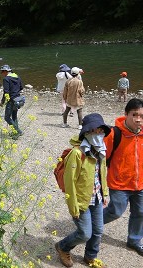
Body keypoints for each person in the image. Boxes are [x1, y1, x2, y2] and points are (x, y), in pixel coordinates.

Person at [55, 113, 110, 267]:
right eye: (95, 131)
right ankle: (63, 247)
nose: (99, 134)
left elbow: (102, 172)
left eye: (101, 131)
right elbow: (69, 181)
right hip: (81, 200)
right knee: (85, 233)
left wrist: (105, 193)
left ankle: (90, 257)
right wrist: (73, 206)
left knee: (98, 231)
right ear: (86, 132)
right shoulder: (77, 153)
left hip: (97, 197)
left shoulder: (101, 150)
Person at [103, 98, 143, 256]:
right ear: (126, 114)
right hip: (119, 183)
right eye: (134, 114)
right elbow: (101, 157)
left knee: (140, 212)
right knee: (115, 212)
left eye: (141, 115)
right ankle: (91, 224)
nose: (138, 119)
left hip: (140, 183)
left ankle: (134, 240)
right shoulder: (114, 134)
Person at [0, 65, 23, 136]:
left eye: (2, 72)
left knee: (7, 118)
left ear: (5, 71)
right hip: (18, 99)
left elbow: (6, 92)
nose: (1, 73)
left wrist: (2, 102)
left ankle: (18, 131)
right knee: (14, 116)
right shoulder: (17, 77)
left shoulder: (6, 79)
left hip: (11, 100)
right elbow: (21, 87)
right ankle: (15, 133)